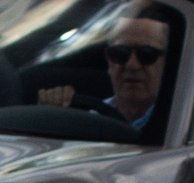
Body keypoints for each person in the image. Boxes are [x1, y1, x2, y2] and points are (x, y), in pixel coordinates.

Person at [37, 15, 171, 136]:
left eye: (147, 54)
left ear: (168, 62)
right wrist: (50, 118)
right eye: (120, 53)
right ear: (109, 60)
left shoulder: (178, 122)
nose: (132, 65)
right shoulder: (91, 120)